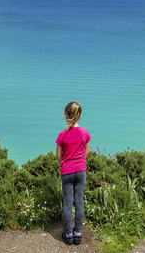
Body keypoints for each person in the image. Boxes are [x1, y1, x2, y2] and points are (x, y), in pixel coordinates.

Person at [56, 101, 90, 246]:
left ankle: (68, 234)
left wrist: (65, 164)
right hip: (81, 171)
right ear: (80, 116)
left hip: (67, 171)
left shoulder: (62, 135)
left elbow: (59, 155)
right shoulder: (84, 132)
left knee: (68, 203)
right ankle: (78, 233)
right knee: (79, 201)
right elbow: (86, 151)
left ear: (65, 115)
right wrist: (80, 162)